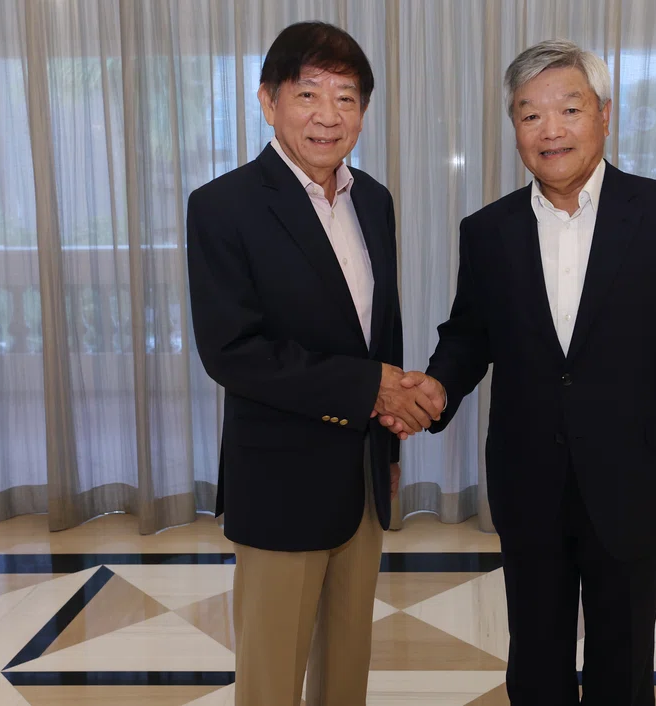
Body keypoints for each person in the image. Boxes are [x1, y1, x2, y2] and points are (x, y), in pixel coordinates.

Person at [381, 39, 656, 705]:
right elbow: (467, 337)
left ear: (604, 114)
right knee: (535, 660)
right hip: (529, 479)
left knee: (623, 663)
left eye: (568, 109)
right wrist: (432, 389)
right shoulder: (488, 231)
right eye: (529, 115)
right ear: (514, 127)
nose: (551, 130)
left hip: (634, 479)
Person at [186, 21, 440, 706]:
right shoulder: (223, 207)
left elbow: (381, 331)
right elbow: (232, 352)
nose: (329, 116)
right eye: (309, 94)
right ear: (268, 101)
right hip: (278, 479)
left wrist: (387, 435)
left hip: (360, 476)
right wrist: (373, 388)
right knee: (272, 675)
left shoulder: (375, 201)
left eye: (347, 98)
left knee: (346, 663)